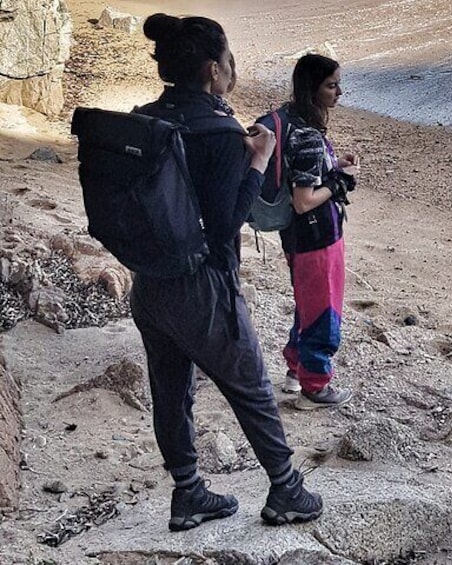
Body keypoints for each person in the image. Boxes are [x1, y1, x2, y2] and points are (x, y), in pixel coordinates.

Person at [130, 13, 322, 531]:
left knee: (170, 387)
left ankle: (188, 492)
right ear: (215, 70)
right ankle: (286, 488)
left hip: (149, 282)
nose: (233, 68)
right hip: (203, 284)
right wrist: (258, 159)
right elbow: (225, 224)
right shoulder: (219, 132)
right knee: (251, 385)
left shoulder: (145, 117)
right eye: (230, 60)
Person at [274, 53, 358, 410]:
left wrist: (332, 164)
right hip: (316, 236)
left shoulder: (290, 118)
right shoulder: (308, 135)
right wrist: (339, 183)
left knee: (307, 305)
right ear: (313, 89)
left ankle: (297, 368)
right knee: (323, 309)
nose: (339, 92)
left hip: (296, 237)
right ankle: (315, 386)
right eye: (331, 85)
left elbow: (300, 170)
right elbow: (304, 199)